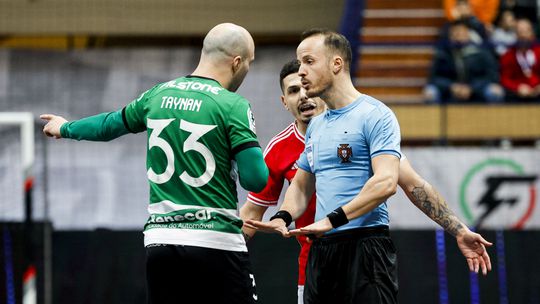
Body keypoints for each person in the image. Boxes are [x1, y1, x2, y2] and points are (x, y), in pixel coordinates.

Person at [245, 29, 492, 304]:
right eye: (300, 63)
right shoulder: (316, 126)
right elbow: (302, 185)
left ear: (336, 64)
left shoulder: (375, 115)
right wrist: (283, 217)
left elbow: (392, 183)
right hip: (321, 253)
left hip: (366, 248)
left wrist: (459, 230)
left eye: (308, 62)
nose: (301, 72)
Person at [41, 23, 268, 304]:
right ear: (236, 62)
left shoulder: (157, 95)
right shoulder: (233, 105)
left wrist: (66, 127)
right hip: (215, 241)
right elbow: (256, 179)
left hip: (161, 241)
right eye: (249, 63)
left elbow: (110, 125)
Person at [425, 19, 504, 103]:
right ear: (450, 35)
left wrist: (472, 88)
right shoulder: (443, 53)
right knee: (431, 92)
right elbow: (433, 78)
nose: (458, 35)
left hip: (477, 90)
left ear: (468, 33)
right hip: (450, 91)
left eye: (461, 32)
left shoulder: (481, 51)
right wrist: (452, 86)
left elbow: (492, 76)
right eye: (455, 32)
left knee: (495, 92)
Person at [500, 18, 540, 101]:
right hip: (517, 94)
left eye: (526, 31)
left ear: (532, 33)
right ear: (515, 34)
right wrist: (517, 87)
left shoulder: (538, 51)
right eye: (520, 32)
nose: (523, 35)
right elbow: (504, 79)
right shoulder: (508, 55)